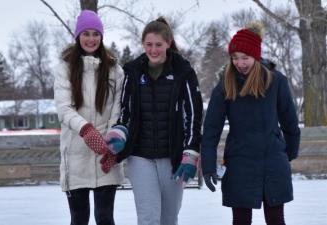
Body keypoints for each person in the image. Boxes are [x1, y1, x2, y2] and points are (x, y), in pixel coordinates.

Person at [104, 17, 203, 225]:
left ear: (168, 43)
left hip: (173, 158)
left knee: (168, 218)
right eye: (149, 44)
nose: (154, 50)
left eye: (158, 44)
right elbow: (125, 111)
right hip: (140, 156)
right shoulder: (132, 71)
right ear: (142, 44)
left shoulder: (183, 72)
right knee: (148, 218)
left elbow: (193, 115)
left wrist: (191, 151)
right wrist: (119, 132)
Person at [201, 22, 300, 225]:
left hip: (272, 163)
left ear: (255, 56)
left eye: (244, 58)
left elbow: (290, 124)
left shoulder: (276, 82)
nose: (239, 63)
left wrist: (287, 154)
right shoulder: (225, 86)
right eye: (235, 58)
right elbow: (211, 130)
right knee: (241, 220)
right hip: (239, 164)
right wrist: (208, 165)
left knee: (275, 219)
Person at [54, 10, 124, 225]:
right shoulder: (64, 69)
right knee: (79, 218)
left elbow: (117, 109)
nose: (91, 39)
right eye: (86, 34)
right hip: (76, 156)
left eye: (96, 34)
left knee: (105, 217)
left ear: (102, 37)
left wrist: (112, 142)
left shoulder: (115, 70)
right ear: (78, 36)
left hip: (106, 155)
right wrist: (86, 129)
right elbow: (64, 108)